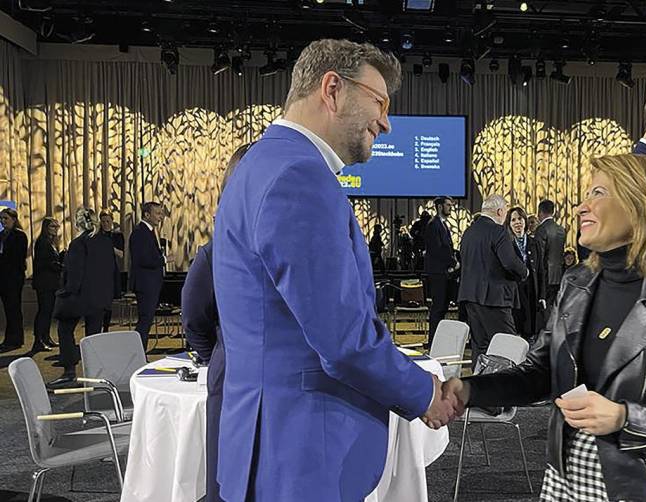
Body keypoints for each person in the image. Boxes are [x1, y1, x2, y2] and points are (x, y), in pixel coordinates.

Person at [212, 39, 455, 501]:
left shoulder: (261, 163)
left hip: (272, 450)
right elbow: (344, 342)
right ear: (332, 89)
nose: (385, 123)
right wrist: (425, 393)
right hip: (301, 460)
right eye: (380, 103)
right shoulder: (299, 177)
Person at [441, 154, 646, 501]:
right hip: (565, 480)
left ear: (643, 205)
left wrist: (624, 418)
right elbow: (539, 374)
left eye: (598, 193)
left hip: (643, 489)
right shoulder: (577, 282)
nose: (581, 207)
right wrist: (467, 390)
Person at [182, 143, 252, 502]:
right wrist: (220, 356)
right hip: (230, 381)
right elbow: (194, 321)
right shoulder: (213, 254)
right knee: (227, 482)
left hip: (280, 391)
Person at [47, 207, 118, 387]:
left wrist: (64, 292)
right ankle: (94, 374)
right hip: (100, 297)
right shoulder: (105, 241)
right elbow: (112, 271)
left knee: (64, 329)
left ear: (78, 223)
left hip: (79, 298)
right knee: (93, 336)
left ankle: (69, 372)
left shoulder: (78, 243)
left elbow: (74, 274)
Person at [457, 194, 528, 363]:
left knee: (480, 347)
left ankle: (478, 385)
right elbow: (510, 263)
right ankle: (509, 387)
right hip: (494, 298)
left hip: (470, 297)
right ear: (499, 211)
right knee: (509, 346)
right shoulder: (497, 231)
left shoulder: (469, 232)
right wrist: (524, 272)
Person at [504, 206, 546, 341]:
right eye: (513, 220)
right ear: (509, 224)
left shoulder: (535, 243)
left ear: (525, 221)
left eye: (520, 219)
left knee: (531, 330)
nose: (517, 223)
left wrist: (542, 296)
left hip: (532, 292)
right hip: (515, 293)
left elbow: (541, 271)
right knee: (516, 329)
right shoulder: (506, 244)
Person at [129, 201, 166, 349]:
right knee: (145, 321)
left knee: (146, 321)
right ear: (147, 214)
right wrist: (164, 259)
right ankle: (138, 354)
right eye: (157, 213)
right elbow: (143, 259)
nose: (160, 217)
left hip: (150, 284)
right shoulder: (140, 232)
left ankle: (140, 354)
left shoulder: (148, 231)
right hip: (145, 284)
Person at [423, 196, 457, 344]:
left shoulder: (442, 224)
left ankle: (438, 341)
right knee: (438, 308)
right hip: (437, 273)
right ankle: (433, 341)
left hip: (444, 272)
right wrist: (453, 262)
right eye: (448, 205)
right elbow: (437, 249)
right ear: (439, 207)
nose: (450, 208)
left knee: (442, 307)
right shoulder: (433, 225)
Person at [31, 217, 63, 352]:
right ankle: (38, 340)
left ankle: (46, 337)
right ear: (46, 228)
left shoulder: (50, 242)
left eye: (57, 227)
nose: (56, 229)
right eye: (52, 227)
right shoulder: (43, 242)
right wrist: (62, 266)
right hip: (44, 283)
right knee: (44, 311)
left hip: (50, 283)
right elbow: (47, 263)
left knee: (48, 312)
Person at [0, 207, 28, 352]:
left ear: (14, 220)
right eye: (2, 219)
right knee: (7, 309)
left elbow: (17, 258)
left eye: (6, 218)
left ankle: (15, 339)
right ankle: (9, 338)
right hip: (2, 278)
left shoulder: (19, 236)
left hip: (13, 278)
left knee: (14, 309)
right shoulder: (1, 235)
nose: (3, 221)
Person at [533, 199, 566, 304]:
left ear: (540, 212)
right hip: (559, 275)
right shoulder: (561, 229)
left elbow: (539, 255)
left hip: (545, 277)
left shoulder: (541, 229)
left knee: (543, 311)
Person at [99, 210, 125, 332]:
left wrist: (109, 246)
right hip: (99, 271)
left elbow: (121, 254)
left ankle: (106, 328)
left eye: (108, 221)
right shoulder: (97, 236)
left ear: (112, 221)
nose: (105, 224)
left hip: (111, 271)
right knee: (100, 302)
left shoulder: (117, 236)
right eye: (103, 221)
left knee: (108, 302)